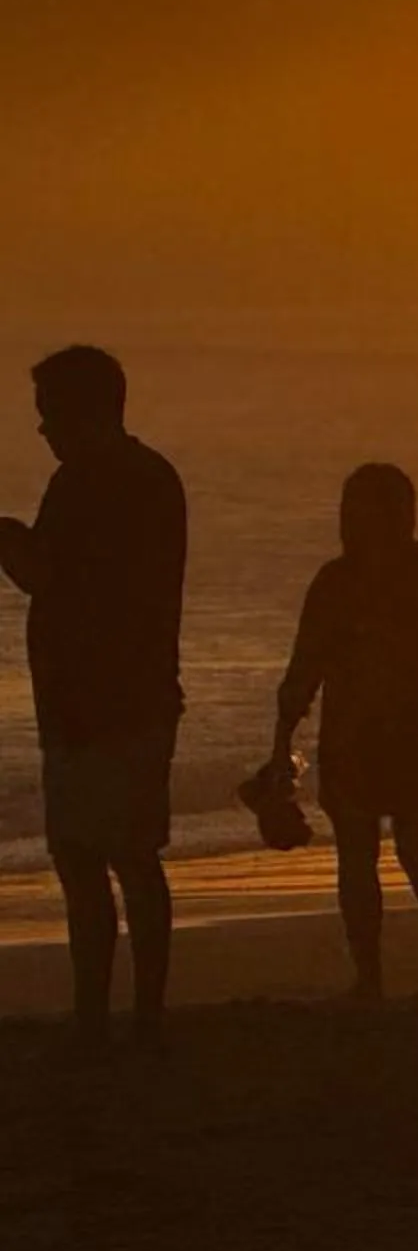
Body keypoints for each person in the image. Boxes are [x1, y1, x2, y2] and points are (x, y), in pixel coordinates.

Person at [0, 346, 187, 1048]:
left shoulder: (86, 481)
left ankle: (100, 1016)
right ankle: (140, 1012)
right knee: (129, 856)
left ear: (82, 412)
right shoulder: (153, 477)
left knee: (90, 861)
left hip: (97, 701)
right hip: (135, 694)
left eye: (50, 415)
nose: (43, 430)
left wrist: (6, 536)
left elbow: (47, 577)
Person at [265, 464, 418, 999]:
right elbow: (304, 669)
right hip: (357, 741)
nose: (350, 525)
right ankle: (380, 971)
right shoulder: (340, 583)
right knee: (366, 855)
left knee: (412, 850)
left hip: (414, 737)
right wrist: (279, 746)